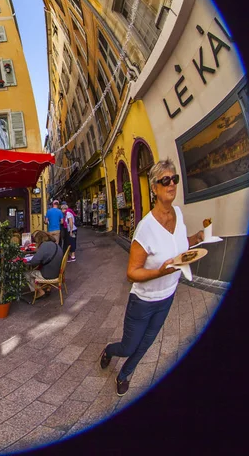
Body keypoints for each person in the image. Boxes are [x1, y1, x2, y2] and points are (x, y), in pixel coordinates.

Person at [99, 158, 204, 397]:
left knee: (146, 343)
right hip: (143, 301)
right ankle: (109, 351)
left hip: (167, 296)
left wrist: (196, 238)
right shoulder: (146, 227)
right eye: (164, 180)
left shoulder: (178, 213)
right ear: (154, 187)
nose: (171, 184)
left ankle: (125, 374)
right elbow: (131, 272)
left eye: (174, 179)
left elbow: (178, 246)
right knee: (128, 346)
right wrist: (159, 272)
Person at [25, 230, 64, 300]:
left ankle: (40, 291)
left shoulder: (44, 246)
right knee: (37, 269)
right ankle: (46, 287)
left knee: (26, 274)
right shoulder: (55, 244)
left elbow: (34, 262)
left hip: (48, 274)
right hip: (57, 273)